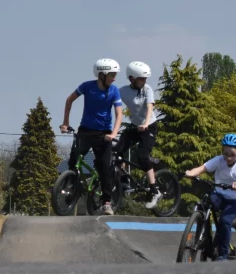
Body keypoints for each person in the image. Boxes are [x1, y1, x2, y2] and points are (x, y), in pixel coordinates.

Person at [60, 58, 125, 215]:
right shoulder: (87, 86)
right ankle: (71, 187)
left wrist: (113, 133)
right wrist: (65, 123)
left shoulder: (114, 90)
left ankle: (106, 202)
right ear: (101, 75)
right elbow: (69, 100)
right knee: (74, 159)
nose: (114, 77)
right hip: (85, 130)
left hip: (104, 135)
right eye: (111, 74)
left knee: (104, 167)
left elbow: (119, 114)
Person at [184, 133, 236, 261]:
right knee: (205, 202)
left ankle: (222, 255)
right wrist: (190, 173)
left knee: (225, 221)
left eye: (232, 155)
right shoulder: (219, 160)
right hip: (220, 194)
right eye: (225, 153)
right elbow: (202, 169)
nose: (228, 158)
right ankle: (203, 235)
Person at [116, 60, 162, 209]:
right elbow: (111, 99)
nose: (144, 81)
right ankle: (123, 182)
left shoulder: (147, 89)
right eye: (141, 79)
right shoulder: (123, 91)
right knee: (117, 151)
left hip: (149, 127)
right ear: (132, 79)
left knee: (142, 156)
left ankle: (155, 190)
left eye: (145, 79)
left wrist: (146, 124)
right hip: (136, 127)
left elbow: (150, 108)